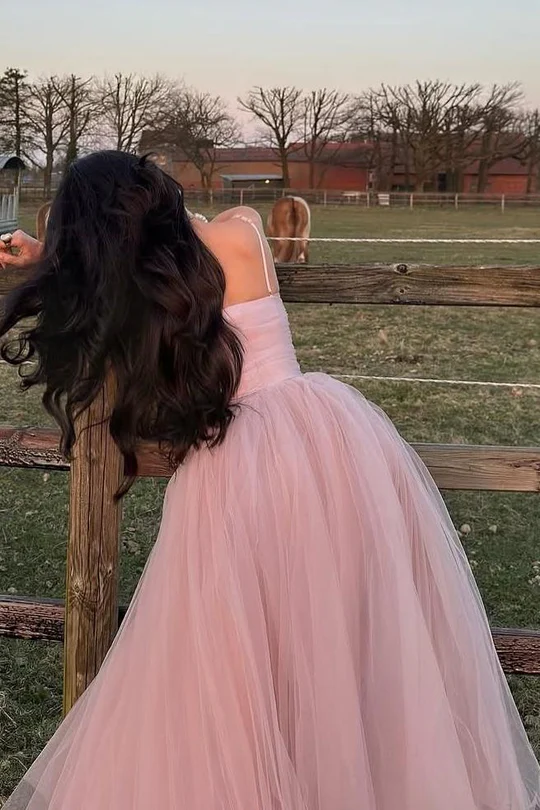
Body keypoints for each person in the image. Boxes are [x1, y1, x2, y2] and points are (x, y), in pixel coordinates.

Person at [0, 151, 539, 810]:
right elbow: (210, 226)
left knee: (239, 652)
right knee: (350, 625)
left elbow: (106, 272)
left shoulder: (129, 287)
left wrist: (50, 260)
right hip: (327, 442)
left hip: (232, 465)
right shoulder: (238, 233)